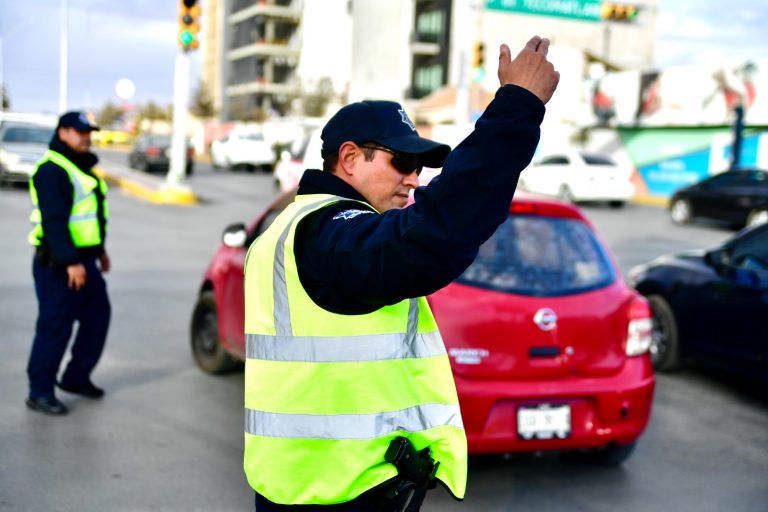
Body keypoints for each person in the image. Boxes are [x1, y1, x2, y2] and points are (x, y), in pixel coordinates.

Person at [243, 36, 559, 510]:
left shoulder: (288, 228)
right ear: (349, 159)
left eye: (420, 166)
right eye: (402, 162)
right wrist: (518, 106)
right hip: (339, 494)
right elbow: (433, 235)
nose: (414, 178)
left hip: (304, 483)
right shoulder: (328, 233)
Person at [25, 111, 111, 416]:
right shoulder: (52, 170)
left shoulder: (80, 168)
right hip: (59, 264)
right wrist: (71, 262)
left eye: (89, 132)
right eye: (79, 131)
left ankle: (75, 377)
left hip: (85, 260)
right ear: (62, 133)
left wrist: (99, 251)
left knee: (97, 319)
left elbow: (90, 216)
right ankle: (39, 391)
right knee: (55, 326)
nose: (86, 136)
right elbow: (54, 222)